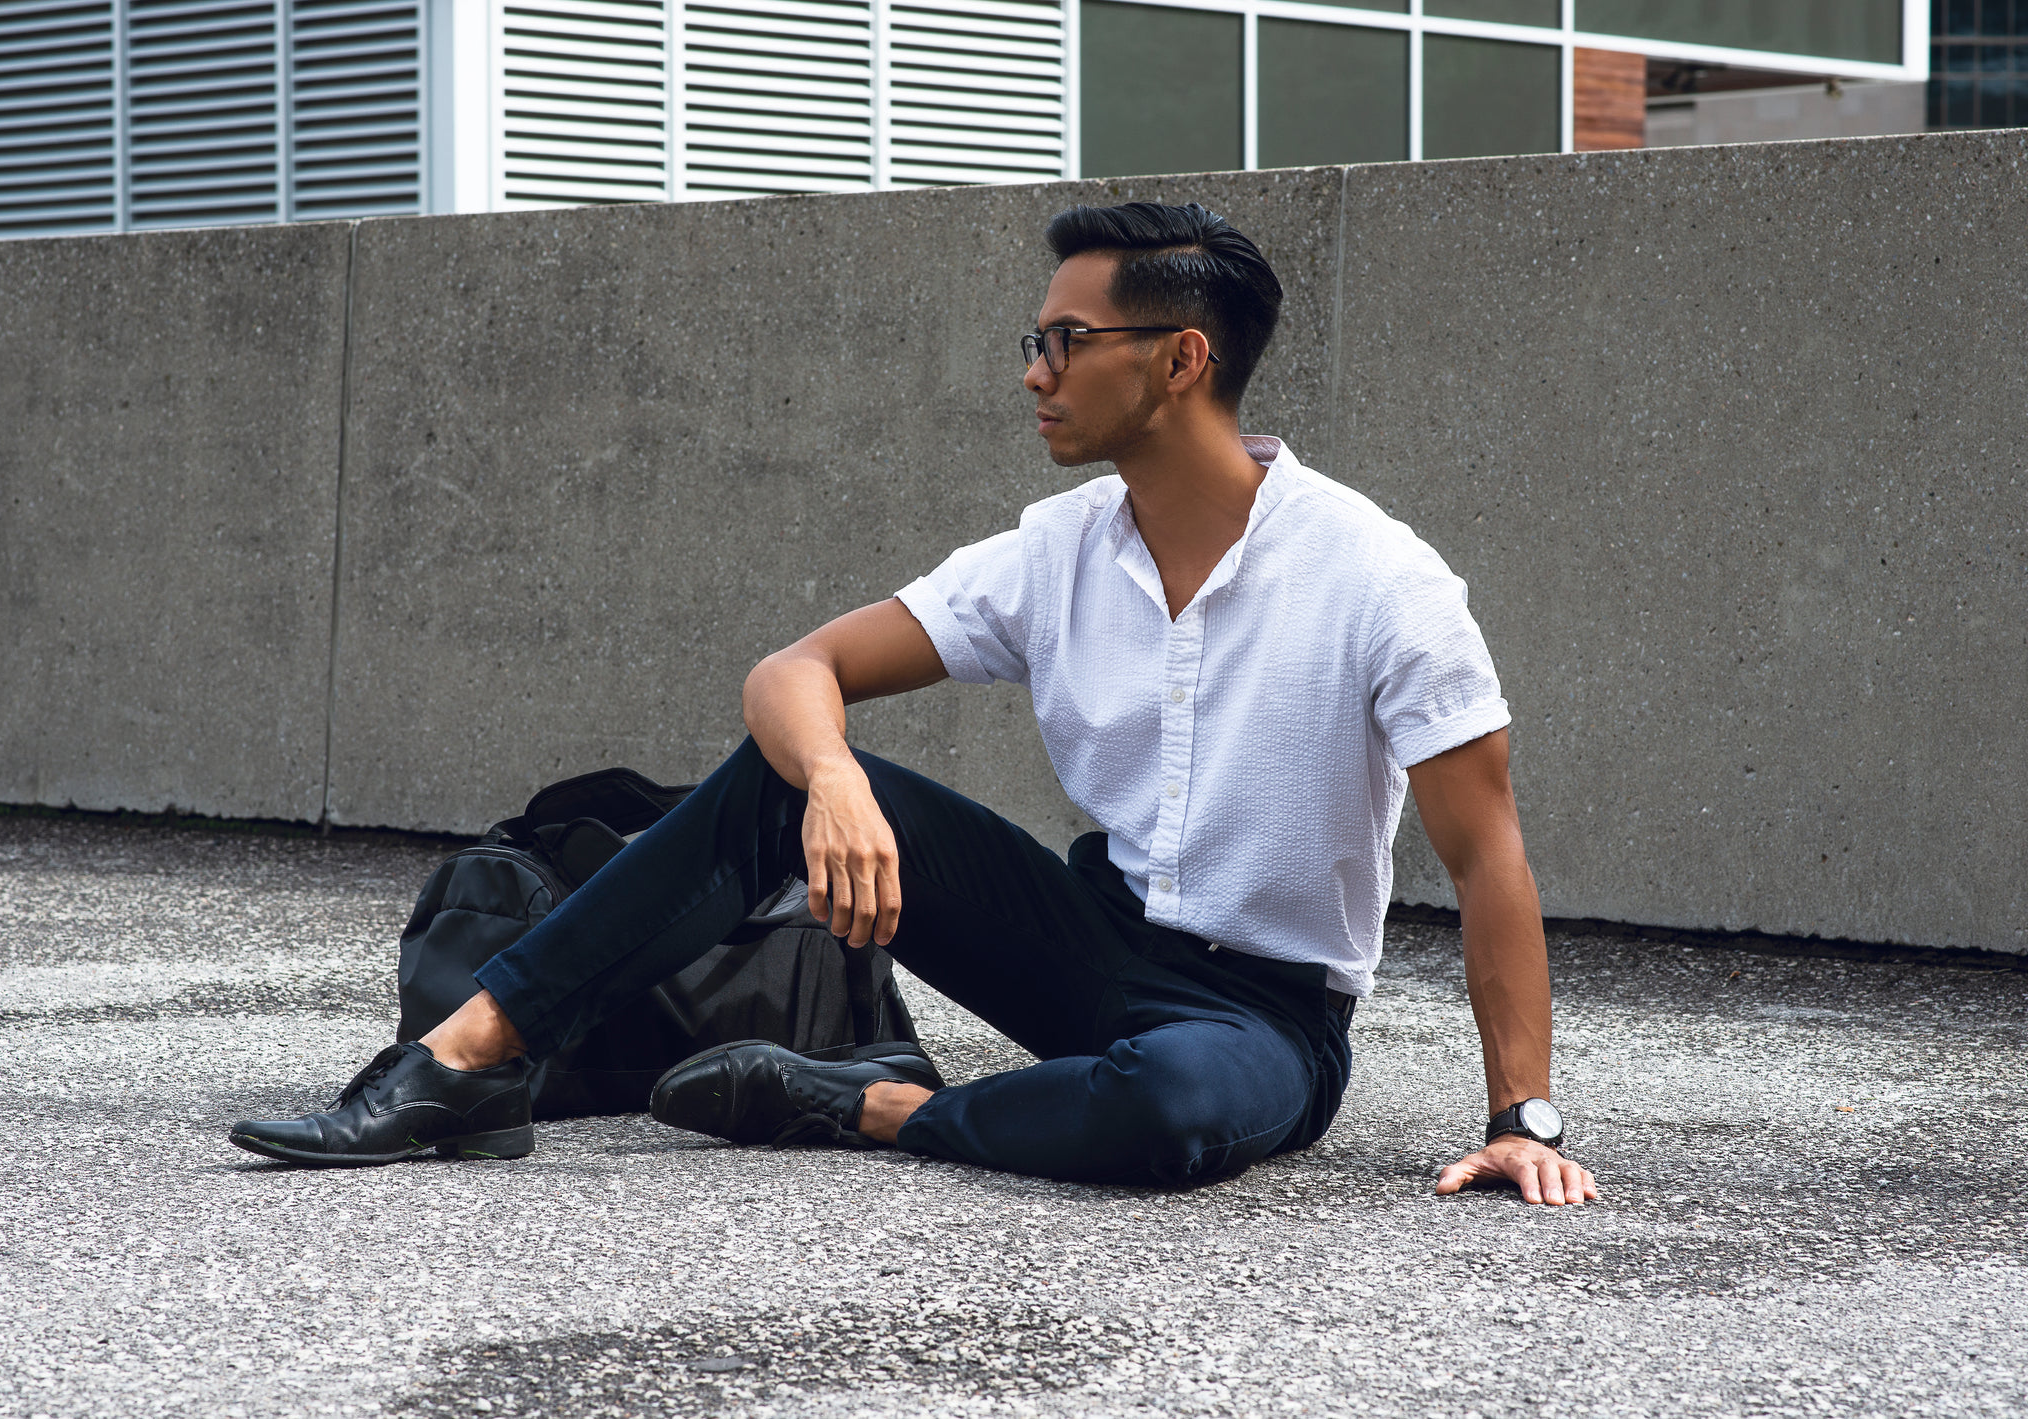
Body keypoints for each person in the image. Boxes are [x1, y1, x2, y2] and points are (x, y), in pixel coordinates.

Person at [231, 200, 1598, 1206]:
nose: (1034, 373)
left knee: (1173, 1115)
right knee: (783, 767)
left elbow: (1489, 860)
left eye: (1068, 343)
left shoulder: (1379, 579)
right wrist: (833, 781)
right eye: (1034, 339)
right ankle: (466, 1062)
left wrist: (1521, 1115)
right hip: (1085, 944)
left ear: (1181, 360)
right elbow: (794, 673)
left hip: (1262, 1021)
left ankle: (870, 1106)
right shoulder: (1057, 549)